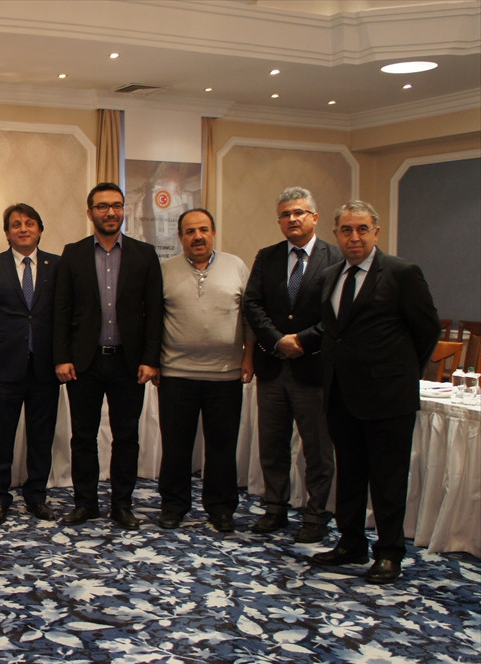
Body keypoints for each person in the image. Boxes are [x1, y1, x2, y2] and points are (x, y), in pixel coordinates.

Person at [312, 200, 439, 584]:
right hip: (341, 396)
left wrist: (399, 374)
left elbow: (426, 331)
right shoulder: (331, 276)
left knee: (388, 480)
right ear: (336, 234)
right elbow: (334, 331)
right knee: (350, 475)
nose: (354, 237)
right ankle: (351, 542)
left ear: (376, 232)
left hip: (388, 398)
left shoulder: (401, 273)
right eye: (347, 230)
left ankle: (389, 552)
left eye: (362, 229)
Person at [53, 182, 163, 530]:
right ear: (90, 213)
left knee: (126, 437)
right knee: (83, 437)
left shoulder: (145, 254)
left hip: (129, 363)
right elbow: (61, 309)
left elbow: (155, 312)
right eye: (102, 206)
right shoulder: (73, 253)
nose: (110, 212)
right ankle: (85, 504)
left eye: (117, 205)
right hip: (84, 362)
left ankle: (121, 505)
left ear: (124, 210)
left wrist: (151, 358)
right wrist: (62, 357)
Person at [244, 186, 341, 543]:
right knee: (272, 443)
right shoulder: (267, 257)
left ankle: (316, 515)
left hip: (313, 367)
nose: (292, 219)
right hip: (273, 366)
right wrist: (277, 340)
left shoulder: (334, 258)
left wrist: (302, 340)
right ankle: (275, 508)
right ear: (279, 221)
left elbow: (337, 312)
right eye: (285, 214)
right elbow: (252, 304)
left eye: (299, 212)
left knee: (317, 449)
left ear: (314, 217)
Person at [155, 208, 254, 532]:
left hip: (225, 374)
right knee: (176, 447)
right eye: (190, 231)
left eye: (203, 230)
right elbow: (152, 321)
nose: (197, 237)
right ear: (180, 237)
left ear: (213, 232)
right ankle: (174, 505)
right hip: (176, 374)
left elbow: (249, 318)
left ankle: (221, 508)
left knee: (222, 447)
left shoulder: (236, 266)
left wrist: (249, 358)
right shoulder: (164, 270)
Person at [0, 204, 61, 526]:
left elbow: (64, 317)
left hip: (45, 368)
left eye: (29, 223)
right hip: (4, 368)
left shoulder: (57, 266)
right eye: (15, 224)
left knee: (41, 438)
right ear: (7, 232)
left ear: (40, 229)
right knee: (0, 439)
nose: (23, 229)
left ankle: (37, 496)